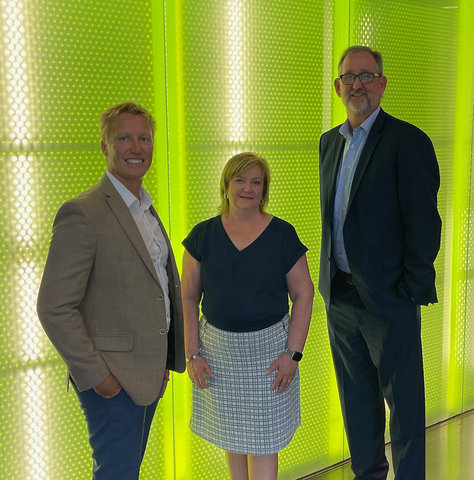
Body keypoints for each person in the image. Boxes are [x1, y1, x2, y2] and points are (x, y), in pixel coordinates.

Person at [37, 101, 185, 480]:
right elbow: (54, 307)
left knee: (125, 472)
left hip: (147, 373)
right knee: (117, 473)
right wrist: (100, 378)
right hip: (113, 380)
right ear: (105, 146)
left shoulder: (145, 209)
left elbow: (153, 289)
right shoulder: (83, 212)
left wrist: (164, 358)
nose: (136, 147)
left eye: (144, 138)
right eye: (124, 138)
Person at [318, 45, 441, 480]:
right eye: (349, 77)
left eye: (366, 76)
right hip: (340, 297)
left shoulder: (408, 142)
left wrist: (408, 289)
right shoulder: (329, 143)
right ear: (338, 87)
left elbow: (424, 224)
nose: (358, 84)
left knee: (404, 405)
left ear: (382, 84)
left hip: (389, 299)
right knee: (357, 403)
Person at [181, 152, 314, 480]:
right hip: (218, 354)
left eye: (256, 182)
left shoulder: (283, 234)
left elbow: (304, 294)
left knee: (265, 445)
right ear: (226, 185)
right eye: (240, 179)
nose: (247, 188)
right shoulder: (202, 236)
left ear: (264, 190)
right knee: (234, 441)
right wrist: (192, 354)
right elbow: (187, 296)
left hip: (270, 353)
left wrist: (292, 354)